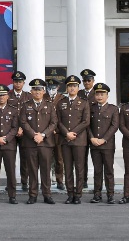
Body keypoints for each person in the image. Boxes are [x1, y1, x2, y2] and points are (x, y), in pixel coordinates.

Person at [20, 79, 58, 205]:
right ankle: (33, 195)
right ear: (31, 91)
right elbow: (23, 122)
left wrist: (42, 135)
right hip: (30, 143)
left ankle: (47, 194)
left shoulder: (50, 105)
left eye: (40, 89)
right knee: (32, 169)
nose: (37, 92)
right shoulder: (26, 105)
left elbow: (53, 123)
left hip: (45, 143)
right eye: (35, 89)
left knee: (46, 170)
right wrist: (33, 135)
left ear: (43, 91)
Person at [56, 75, 90, 204]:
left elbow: (86, 121)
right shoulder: (61, 102)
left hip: (79, 140)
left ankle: (78, 194)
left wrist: (73, 133)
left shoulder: (84, 102)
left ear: (78, 87)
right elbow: (58, 121)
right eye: (70, 86)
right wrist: (66, 133)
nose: (72, 88)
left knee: (79, 168)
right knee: (68, 168)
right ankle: (70, 194)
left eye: (74, 86)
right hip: (65, 140)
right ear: (67, 87)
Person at [87, 83, 118, 204]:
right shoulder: (91, 108)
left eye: (102, 94)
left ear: (107, 95)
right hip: (94, 144)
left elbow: (114, 126)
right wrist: (92, 138)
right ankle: (97, 194)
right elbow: (87, 125)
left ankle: (110, 194)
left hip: (107, 145)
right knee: (97, 170)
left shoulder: (113, 109)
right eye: (97, 94)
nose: (99, 96)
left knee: (109, 170)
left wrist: (104, 139)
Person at [8, 71, 33, 191]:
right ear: (12, 82)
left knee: (25, 158)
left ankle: (24, 182)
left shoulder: (29, 96)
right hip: (10, 131)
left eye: (20, 82)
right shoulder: (7, 95)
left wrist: (23, 128)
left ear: (24, 83)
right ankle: (11, 183)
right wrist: (14, 129)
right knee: (10, 159)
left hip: (25, 132)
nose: (18, 84)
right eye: (15, 82)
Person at [78, 69, 97, 189]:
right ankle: (83, 180)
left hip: (95, 129)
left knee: (97, 159)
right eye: (84, 80)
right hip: (81, 130)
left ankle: (97, 183)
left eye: (88, 80)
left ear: (93, 81)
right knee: (82, 158)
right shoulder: (79, 94)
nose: (86, 83)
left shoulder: (98, 92)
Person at [46, 79, 65, 190]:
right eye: (49, 87)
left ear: (58, 87)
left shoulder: (62, 99)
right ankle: (46, 180)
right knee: (46, 158)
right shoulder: (44, 97)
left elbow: (63, 116)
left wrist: (56, 129)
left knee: (59, 158)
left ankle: (59, 180)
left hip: (58, 133)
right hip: (46, 133)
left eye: (54, 87)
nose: (51, 89)